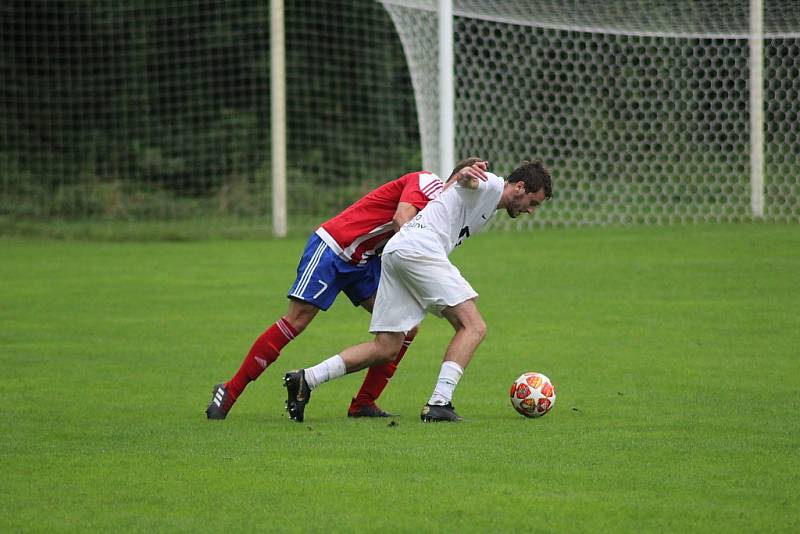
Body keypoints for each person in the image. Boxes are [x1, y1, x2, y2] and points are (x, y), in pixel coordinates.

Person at [206, 158, 489, 420]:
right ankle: (229, 391)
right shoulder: (429, 182)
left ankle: (363, 403)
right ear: (457, 178)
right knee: (298, 320)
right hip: (336, 246)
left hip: (365, 261)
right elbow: (401, 218)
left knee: (405, 328)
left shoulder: (446, 212)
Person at [283, 159, 552, 423]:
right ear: (519, 186)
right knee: (473, 326)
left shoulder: (489, 205)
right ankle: (439, 403)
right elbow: (471, 182)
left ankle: (306, 379)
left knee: (386, 347)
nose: (531, 210)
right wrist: (465, 175)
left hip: (398, 251)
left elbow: (456, 190)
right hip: (419, 249)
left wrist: (460, 177)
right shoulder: (491, 185)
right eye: (533, 203)